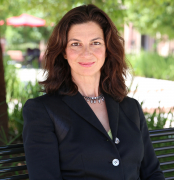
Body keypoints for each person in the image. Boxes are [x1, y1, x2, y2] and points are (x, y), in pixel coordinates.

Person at [22, 4, 165, 180]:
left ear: (107, 49)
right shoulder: (42, 110)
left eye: (95, 43)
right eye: (75, 44)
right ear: (64, 52)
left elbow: (152, 173)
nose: (86, 53)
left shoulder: (131, 108)